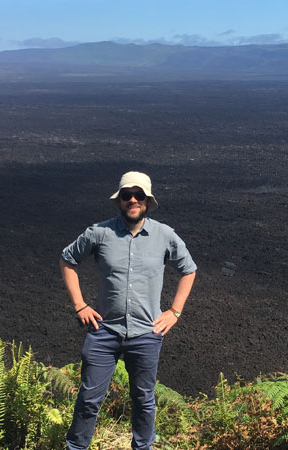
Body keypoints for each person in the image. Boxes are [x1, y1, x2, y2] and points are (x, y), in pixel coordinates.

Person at [60, 171, 197, 450]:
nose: (133, 200)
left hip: (147, 333)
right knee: (88, 398)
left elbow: (189, 270)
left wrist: (175, 311)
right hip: (104, 331)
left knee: (144, 399)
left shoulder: (164, 235)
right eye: (127, 195)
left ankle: (142, 447)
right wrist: (79, 305)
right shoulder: (99, 233)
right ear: (119, 200)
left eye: (139, 195)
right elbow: (67, 259)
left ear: (148, 200)